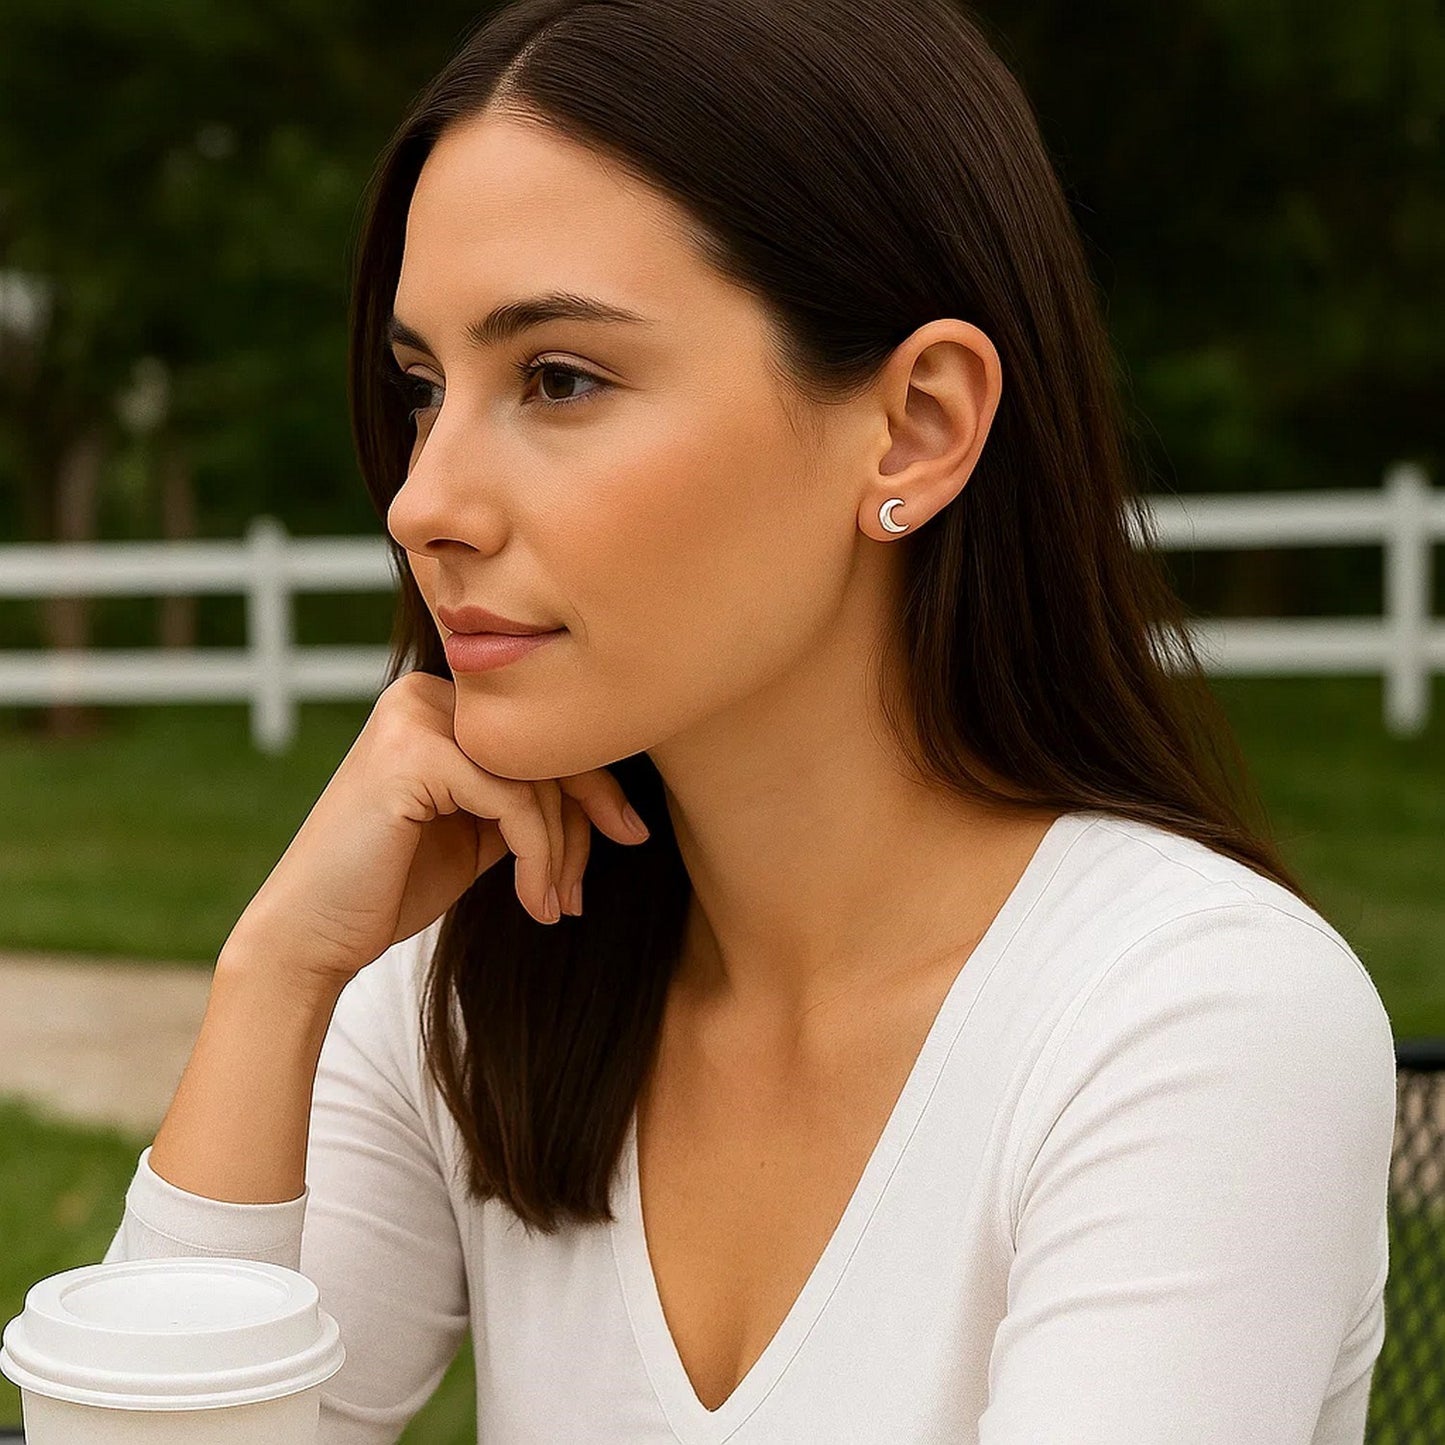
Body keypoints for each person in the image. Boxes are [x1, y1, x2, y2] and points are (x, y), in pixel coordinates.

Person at [101, 0, 1397, 1440]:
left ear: (914, 424)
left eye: (558, 378)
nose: (421, 503)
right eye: (422, 387)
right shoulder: (466, 994)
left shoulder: (1186, 1020)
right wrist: (278, 974)